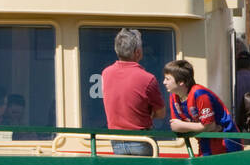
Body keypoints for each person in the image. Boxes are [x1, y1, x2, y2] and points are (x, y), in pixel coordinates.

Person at [101, 27, 164, 156]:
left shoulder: (106, 73)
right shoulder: (148, 78)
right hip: (142, 140)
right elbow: (161, 113)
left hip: (116, 140)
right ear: (138, 52)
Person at [165, 59, 240, 155]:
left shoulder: (200, 94)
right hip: (204, 141)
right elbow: (175, 126)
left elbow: (209, 125)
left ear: (181, 82)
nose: (164, 82)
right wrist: (203, 127)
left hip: (226, 143)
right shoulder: (173, 96)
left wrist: (184, 126)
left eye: (167, 79)